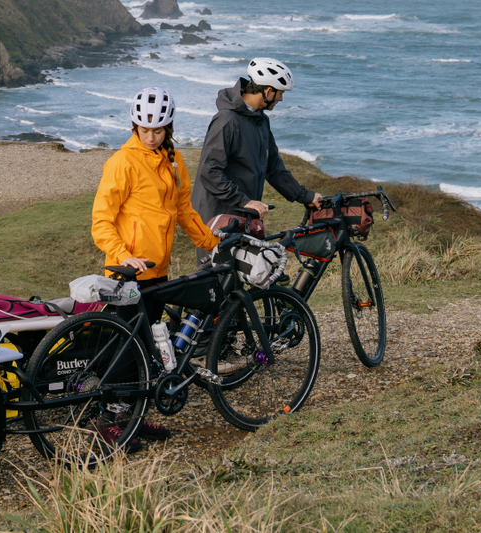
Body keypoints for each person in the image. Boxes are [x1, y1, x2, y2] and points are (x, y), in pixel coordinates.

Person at [89, 87, 221, 451]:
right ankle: (106, 425)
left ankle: (131, 417)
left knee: (145, 350)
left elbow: (183, 212)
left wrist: (213, 243)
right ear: (134, 125)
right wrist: (121, 255)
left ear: (168, 128)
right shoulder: (122, 162)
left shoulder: (174, 159)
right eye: (145, 130)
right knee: (124, 353)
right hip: (127, 272)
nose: (151, 136)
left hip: (157, 271)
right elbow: (101, 221)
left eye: (158, 130)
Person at [193, 58, 322, 374]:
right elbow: (210, 172)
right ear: (265, 90)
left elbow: (274, 168)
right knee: (217, 284)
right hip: (216, 215)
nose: (281, 99)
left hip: (241, 214)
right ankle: (202, 355)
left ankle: (224, 349)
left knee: (238, 280)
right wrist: (245, 200)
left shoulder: (261, 122)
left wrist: (306, 196)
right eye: (279, 93)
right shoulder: (226, 121)